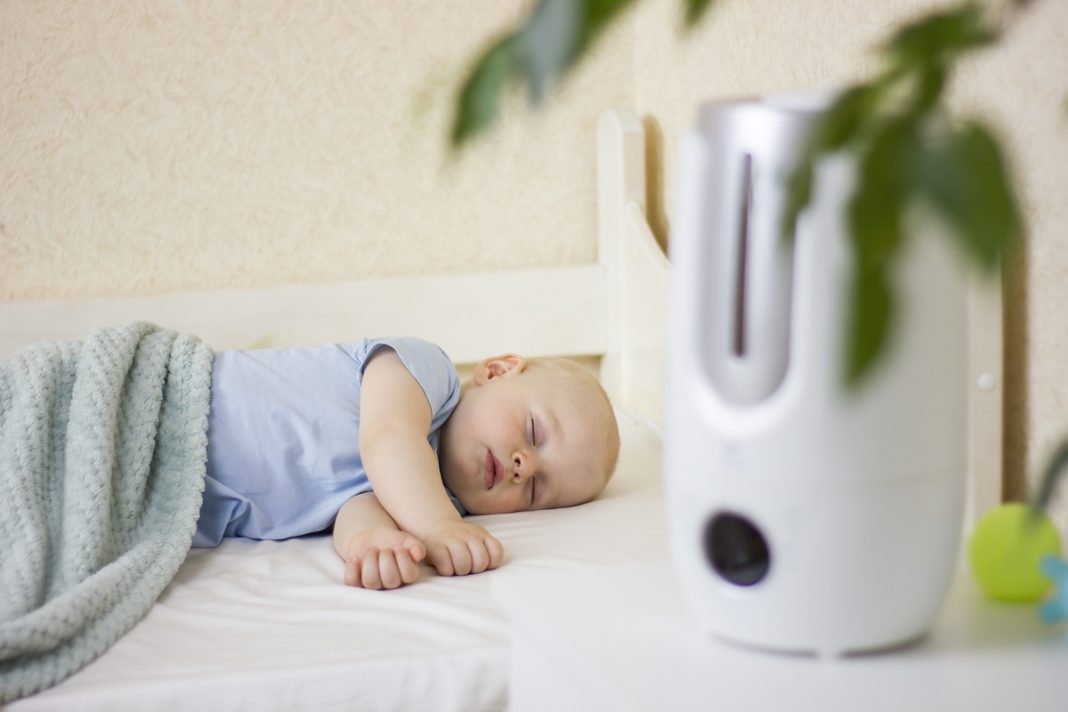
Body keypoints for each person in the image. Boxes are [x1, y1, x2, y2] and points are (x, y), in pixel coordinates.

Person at [193, 337, 620, 590]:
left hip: (186, 499)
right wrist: (435, 527)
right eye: (533, 432)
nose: (523, 467)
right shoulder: (424, 370)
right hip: (182, 409)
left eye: (534, 490)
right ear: (497, 370)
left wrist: (374, 542)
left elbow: (357, 505)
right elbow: (389, 438)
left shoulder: (435, 502)